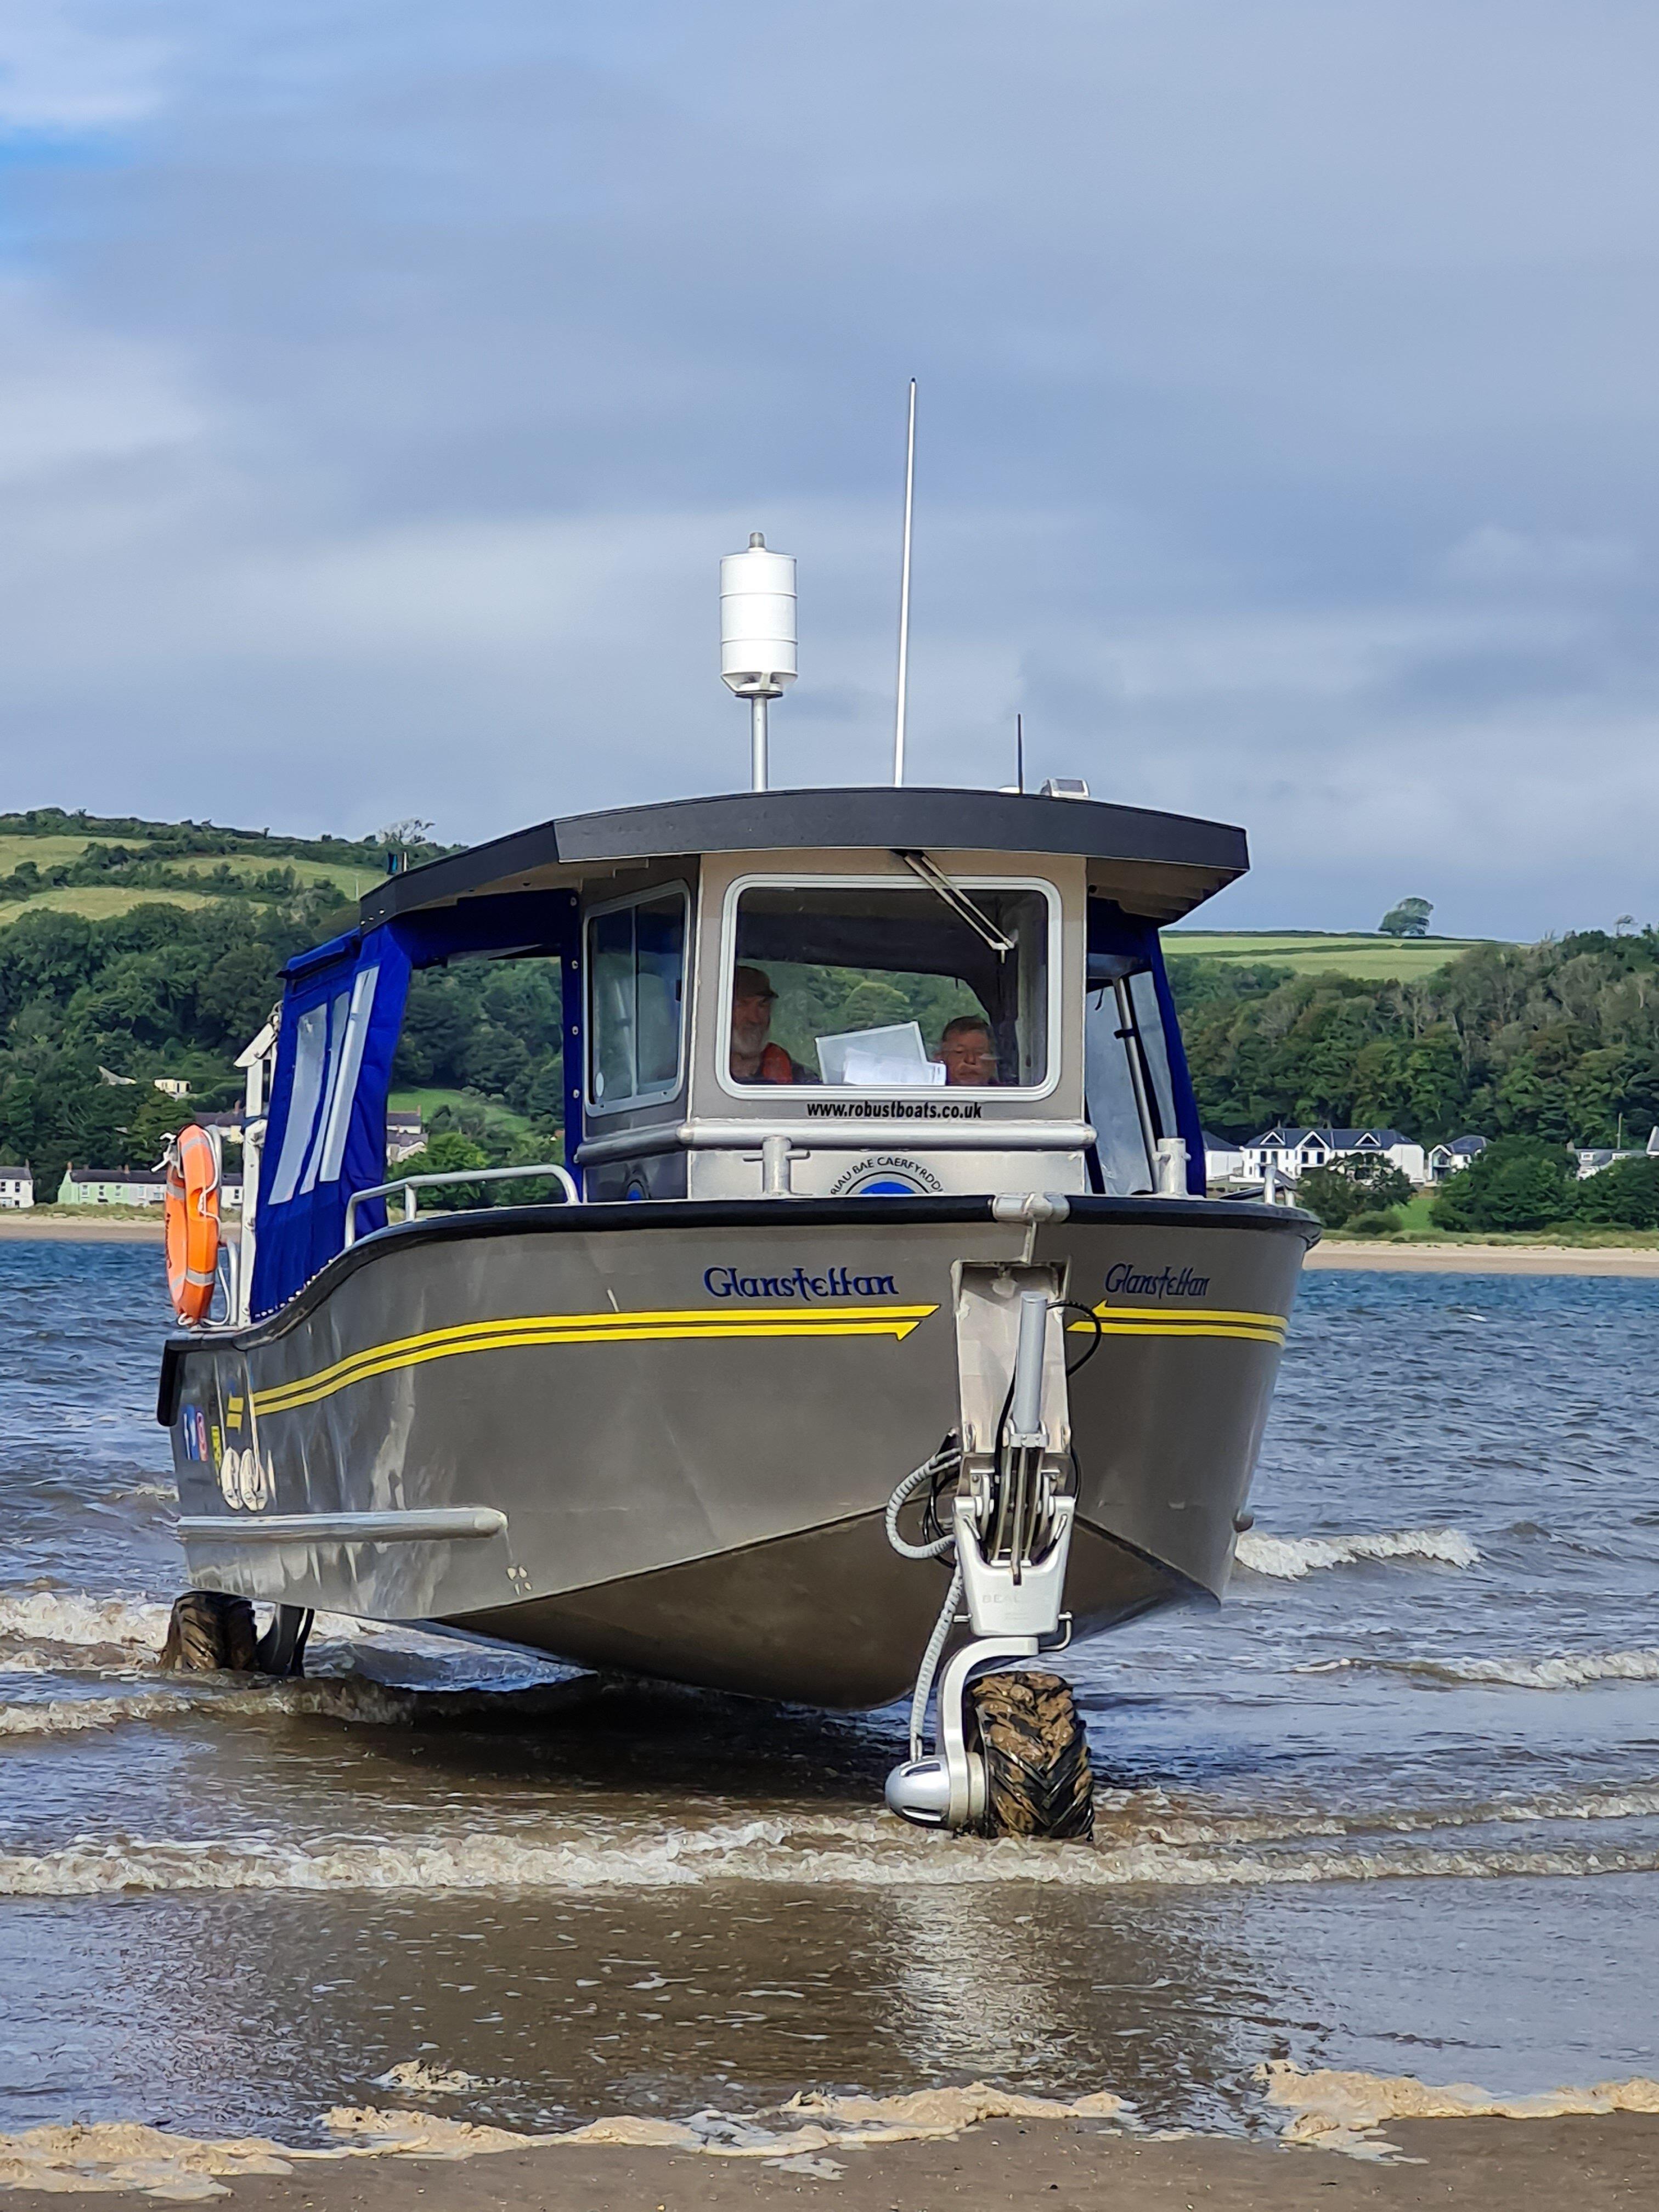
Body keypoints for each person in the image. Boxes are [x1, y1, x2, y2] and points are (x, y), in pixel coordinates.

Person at [730, 964, 799, 1084]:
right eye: (741, 1004)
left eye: (763, 1005)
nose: (755, 1019)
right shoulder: (696, 1069)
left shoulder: (800, 1077)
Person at [936, 1015, 1000, 1086]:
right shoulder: (926, 1093)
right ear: (941, 1058)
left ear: (993, 1062)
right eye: (959, 1052)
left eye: (979, 1052)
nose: (970, 1060)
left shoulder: (1009, 1094)